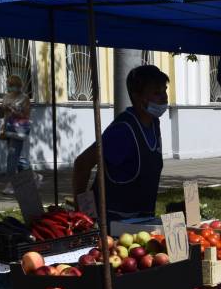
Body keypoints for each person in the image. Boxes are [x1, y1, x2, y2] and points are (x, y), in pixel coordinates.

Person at [72, 65, 170, 224]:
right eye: (156, 93)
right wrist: (83, 212)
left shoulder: (154, 124)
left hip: (141, 223)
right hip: (113, 226)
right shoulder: (123, 131)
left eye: (164, 90)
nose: (164, 97)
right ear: (138, 97)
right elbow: (82, 164)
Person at [0, 74, 34, 195]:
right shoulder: (6, 97)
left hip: (18, 130)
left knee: (12, 157)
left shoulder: (24, 98)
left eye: (14, 85)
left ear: (19, 86)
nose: (12, 87)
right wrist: (1, 109)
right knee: (18, 158)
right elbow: (1, 116)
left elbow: (26, 116)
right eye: (10, 85)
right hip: (8, 129)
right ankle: (32, 177)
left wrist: (13, 110)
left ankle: (11, 184)